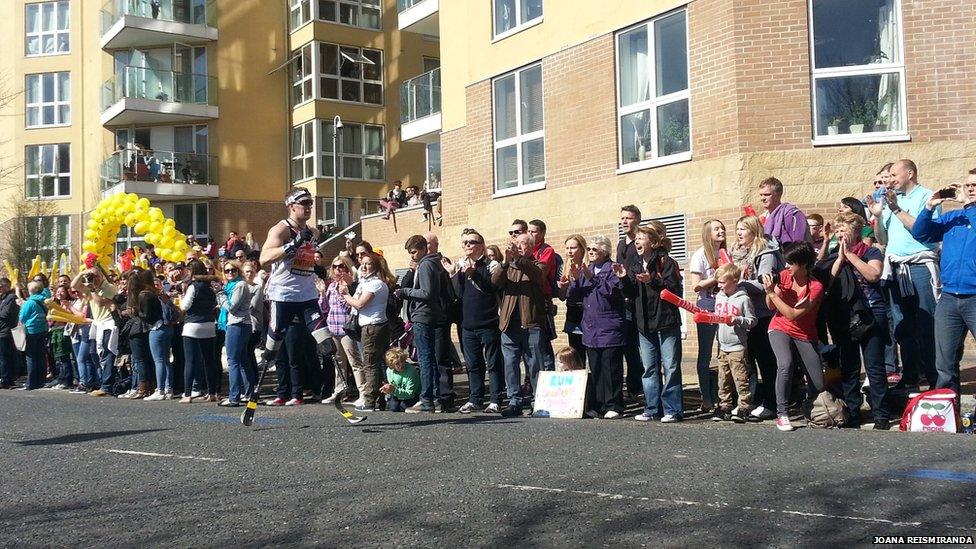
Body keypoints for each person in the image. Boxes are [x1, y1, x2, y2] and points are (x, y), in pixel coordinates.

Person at [865, 159, 940, 390]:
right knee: (902, 326)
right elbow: (882, 240)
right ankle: (910, 376)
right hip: (896, 269)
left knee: (927, 324)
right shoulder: (889, 200)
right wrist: (878, 215)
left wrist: (896, 208)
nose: (891, 179)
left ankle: (935, 377)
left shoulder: (928, 197)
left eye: (895, 175)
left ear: (910, 173)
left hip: (919, 266)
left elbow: (925, 231)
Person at [821, 212, 890, 429]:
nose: (840, 235)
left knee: (874, 366)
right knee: (849, 367)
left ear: (857, 232)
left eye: (845, 231)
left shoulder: (870, 251)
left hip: (871, 314)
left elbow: (873, 275)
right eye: (838, 231)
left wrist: (850, 256)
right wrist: (840, 259)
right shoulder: (834, 255)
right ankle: (852, 412)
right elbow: (827, 285)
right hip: (843, 317)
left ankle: (881, 414)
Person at [258, 188, 334, 379]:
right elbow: (264, 258)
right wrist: (292, 244)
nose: (309, 207)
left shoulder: (313, 232)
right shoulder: (281, 229)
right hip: (283, 294)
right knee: (275, 340)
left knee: (326, 342)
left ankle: (332, 386)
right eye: (304, 203)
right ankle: (267, 365)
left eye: (310, 203)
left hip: (307, 293)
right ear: (291, 206)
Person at [912, 172, 976, 398]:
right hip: (949, 297)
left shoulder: (968, 213)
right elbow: (921, 233)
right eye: (967, 185)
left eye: (974, 185)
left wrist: (969, 207)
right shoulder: (954, 217)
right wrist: (929, 207)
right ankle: (949, 412)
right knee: (944, 362)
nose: (969, 189)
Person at [762, 242, 825, 432]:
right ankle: (782, 414)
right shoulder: (783, 277)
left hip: (804, 333)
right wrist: (771, 290)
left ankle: (811, 409)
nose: (786, 266)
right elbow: (770, 306)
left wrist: (773, 294)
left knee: (818, 383)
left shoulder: (815, 287)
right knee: (785, 364)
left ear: (804, 264)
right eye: (786, 262)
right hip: (779, 327)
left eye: (791, 263)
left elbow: (793, 314)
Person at [625, 224, 684, 423]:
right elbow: (630, 293)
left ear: (652, 242)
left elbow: (675, 290)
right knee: (649, 368)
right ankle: (651, 408)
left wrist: (652, 280)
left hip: (666, 320)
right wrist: (623, 279)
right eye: (636, 239)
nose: (637, 242)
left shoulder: (666, 261)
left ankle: (673, 410)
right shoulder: (634, 263)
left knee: (671, 366)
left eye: (641, 238)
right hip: (644, 323)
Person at [566, 235, 628, 419]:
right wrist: (575, 280)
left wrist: (591, 277)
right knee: (597, 367)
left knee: (611, 367)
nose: (590, 253)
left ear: (604, 251)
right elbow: (575, 296)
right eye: (589, 250)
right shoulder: (589, 268)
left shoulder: (612, 268)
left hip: (609, 326)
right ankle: (600, 404)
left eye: (594, 250)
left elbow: (611, 291)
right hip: (591, 327)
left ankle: (614, 405)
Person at [730, 215, 783, 421]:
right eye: (737, 229)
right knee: (746, 361)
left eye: (743, 229)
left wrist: (739, 284)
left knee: (766, 362)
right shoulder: (736, 252)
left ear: (754, 230)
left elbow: (765, 284)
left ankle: (771, 404)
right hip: (743, 314)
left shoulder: (765, 252)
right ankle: (748, 402)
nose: (739, 233)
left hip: (762, 314)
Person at [396, 235, 454, 413]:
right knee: (429, 358)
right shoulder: (431, 263)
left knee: (425, 359)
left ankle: (427, 399)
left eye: (413, 252)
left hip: (424, 315)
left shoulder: (427, 264)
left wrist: (405, 291)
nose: (412, 256)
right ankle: (434, 397)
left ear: (423, 249)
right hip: (427, 315)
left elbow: (427, 292)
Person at [453, 229, 504, 414]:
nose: (468, 245)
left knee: (493, 363)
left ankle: (496, 399)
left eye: (472, 242)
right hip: (468, 324)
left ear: (481, 246)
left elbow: (491, 288)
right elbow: (458, 294)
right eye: (465, 242)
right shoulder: (462, 266)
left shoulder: (491, 265)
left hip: (489, 322)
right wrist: (455, 274)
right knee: (473, 364)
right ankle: (475, 399)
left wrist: (473, 273)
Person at [497, 233, 548, 417]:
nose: (518, 246)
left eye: (522, 244)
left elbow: (539, 277)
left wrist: (519, 259)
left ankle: (537, 399)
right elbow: (494, 282)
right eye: (516, 244)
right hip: (509, 324)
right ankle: (514, 401)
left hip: (531, 322)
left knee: (534, 363)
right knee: (510, 363)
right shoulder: (507, 266)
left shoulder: (537, 263)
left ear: (531, 246)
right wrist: (505, 262)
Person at [341, 253, 393, 412]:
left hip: (372, 327)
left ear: (376, 267)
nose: (363, 266)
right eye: (362, 263)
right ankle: (384, 398)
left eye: (368, 264)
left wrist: (345, 295)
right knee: (380, 363)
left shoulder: (375, 284)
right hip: (374, 326)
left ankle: (370, 401)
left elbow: (360, 304)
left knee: (370, 364)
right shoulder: (367, 282)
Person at [710, 263, 756, 422]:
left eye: (722, 282)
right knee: (723, 379)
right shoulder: (719, 297)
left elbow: (752, 321)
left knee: (740, 379)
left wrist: (737, 320)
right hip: (722, 345)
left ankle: (744, 407)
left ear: (735, 280)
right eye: (718, 282)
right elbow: (717, 315)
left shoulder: (743, 299)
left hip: (737, 346)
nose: (719, 285)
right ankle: (724, 407)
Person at [688, 219, 726, 411]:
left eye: (722, 228)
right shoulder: (700, 255)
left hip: (727, 306)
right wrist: (716, 277)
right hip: (707, 305)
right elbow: (696, 285)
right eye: (716, 229)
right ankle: (706, 399)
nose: (721, 231)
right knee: (705, 354)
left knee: (726, 353)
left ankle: (725, 397)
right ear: (707, 233)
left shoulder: (726, 253)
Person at [319, 255, 363, 404]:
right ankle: (339, 392)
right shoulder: (331, 285)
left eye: (341, 266)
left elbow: (348, 308)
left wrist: (343, 292)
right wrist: (323, 293)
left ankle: (363, 392)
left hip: (346, 329)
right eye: (335, 267)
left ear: (347, 267)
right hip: (333, 327)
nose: (338, 269)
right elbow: (324, 308)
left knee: (355, 362)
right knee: (338, 362)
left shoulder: (350, 285)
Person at [73, 267, 120, 398]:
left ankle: (107, 385)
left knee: (107, 352)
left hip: (108, 322)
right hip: (97, 323)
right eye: (92, 276)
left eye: (96, 276)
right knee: (94, 352)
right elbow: (74, 285)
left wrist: (92, 289)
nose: (95, 279)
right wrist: (83, 273)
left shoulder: (109, 288)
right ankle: (102, 380)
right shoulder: (91, 288)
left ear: (101, 275)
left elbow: (99, 303)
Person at [178, 259, 220, 403]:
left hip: (192, 325)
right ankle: (212, 392)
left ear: (192, 271)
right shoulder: (211, 285)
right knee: (209, 361)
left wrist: (181, 297)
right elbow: (216, 303)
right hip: (209, 324)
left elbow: (185, 305)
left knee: (190, 360)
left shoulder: (193, 286)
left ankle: (188, 394)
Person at [616, 205, 644, 400]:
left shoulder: (641, 242)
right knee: (628, 346)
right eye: (623, 218)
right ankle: (634, 387)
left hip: (638, 300)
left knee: (640, 346)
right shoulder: (620, 244)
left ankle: (642, 386)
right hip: (623, 302)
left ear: (637, 220)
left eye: (629, 218)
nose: (625, 221)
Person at [220, 260, 256, 407]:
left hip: (238, 324)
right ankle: (248, 393)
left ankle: (234, 396)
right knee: (241, 360)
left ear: (238, 271)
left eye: (233, 270)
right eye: (227, 270)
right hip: (238, 324)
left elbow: (232, 307)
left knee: (233, 361)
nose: (230, 273)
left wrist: (220, 295)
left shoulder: (240, 285)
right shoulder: (230, 286)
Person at [125, 268, 161, 399]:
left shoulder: (142, 295)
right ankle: (148, 386)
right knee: (145, 359)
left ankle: (144, 387)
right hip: (145, 328)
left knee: (141, 360)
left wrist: (135, 312)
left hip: (140, 328)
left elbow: (146, 315)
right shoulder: (148, 293)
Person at [558, 234, 588, 366]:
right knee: (577, 358)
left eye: (573, 248)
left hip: (588, 317)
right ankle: (581, 385)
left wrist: (577, 280)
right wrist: (563, 288)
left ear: (582, 249)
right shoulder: (564, 269)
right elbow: (562, 297)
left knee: (592, 357)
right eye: (567, 248)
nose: (569, 251)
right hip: (573, 318)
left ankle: (592, 385)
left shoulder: (588, 267)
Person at [759, 177, 811, 244]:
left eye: (767, 195)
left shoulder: (792, 215)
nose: (762, 198)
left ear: (778, 195)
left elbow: (799, 244)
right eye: (761, 195)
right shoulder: (762, 218)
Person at [19, 281, 49, 390]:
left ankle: (31, 382)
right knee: (41, 356)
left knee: (30, 357)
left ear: (31, 290)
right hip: (43, 329)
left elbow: (22, 317)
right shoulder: (45, 300)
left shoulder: (30, 302)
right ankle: (41, 380)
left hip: (31, 331)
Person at [381, 348, 420, 412]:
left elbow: (410, 394)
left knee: (403, 407)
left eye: (402, 361)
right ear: (391, 365)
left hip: (412, 395)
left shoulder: (411, 371)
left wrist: (394, 390)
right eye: (397, 364)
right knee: (393, 408)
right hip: (397, 394)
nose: (401, 365)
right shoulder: (389, 371)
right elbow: (392, 386)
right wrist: (388, 390)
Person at [0, 278, 18, 389]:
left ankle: (6, 379)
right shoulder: (2, 299)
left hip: (5, 332)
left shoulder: (11, 298)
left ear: (7, 286)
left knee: (4, 357)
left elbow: (6, 314)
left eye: (1, 286)